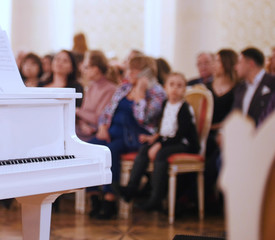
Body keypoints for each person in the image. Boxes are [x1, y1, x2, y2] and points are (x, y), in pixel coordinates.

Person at [87, 56, 166, 219]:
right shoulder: (124, 88)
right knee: (89, 148)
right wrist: (102, 126)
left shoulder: (157, 92)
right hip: (113, 132)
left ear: (146, 72)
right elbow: (107, 110)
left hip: (135, 137)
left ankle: (109, 201)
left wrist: (141, 94)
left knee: (110, 151)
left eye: (134, 70)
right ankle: (94, 197)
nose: (129, 73)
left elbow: (143, 118)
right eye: (129, 69)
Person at [120, 72, 200, 211]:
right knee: (144, 149)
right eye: (172, 85)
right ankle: (131, 189)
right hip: (169, 140)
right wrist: (153, 138)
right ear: (165, 88)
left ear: (185, 89)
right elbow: (164, 129)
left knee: (161, 154)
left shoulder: (184, 108)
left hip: (185, 143)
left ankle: (156, 198)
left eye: (179, 86)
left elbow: (180, 134)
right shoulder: (165, 104)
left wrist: (159, 145)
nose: (175, 89)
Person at [204, 49, 239, 207]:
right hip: (204, 132)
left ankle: (212, 196)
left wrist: (219, 128)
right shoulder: (205, 87)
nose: (214, 65)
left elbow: (235, 115)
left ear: (226, 63)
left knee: (216, 153)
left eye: (217, 61)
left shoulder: (237, 88)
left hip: (225, 132)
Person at [76, 50, 117, 141]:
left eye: (86, 67)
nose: (83, 71)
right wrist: (83, 125)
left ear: (96, 69)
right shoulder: (91, 86)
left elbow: (99, 118)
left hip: (96, 134)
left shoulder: (110, 89)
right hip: (84, 130)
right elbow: (84, 112)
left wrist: (77, 111)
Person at [233, 47, 275, 126]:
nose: (235, 67)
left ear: (251, 64)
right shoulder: (240, 88)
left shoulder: (272, 83)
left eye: (239, 62)